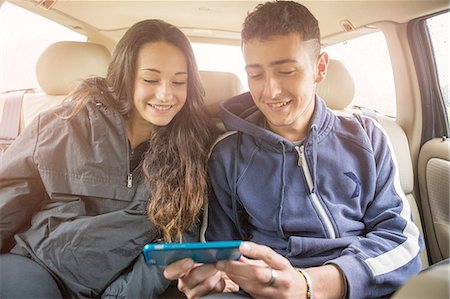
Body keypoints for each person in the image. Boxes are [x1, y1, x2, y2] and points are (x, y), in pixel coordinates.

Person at [164, 1, 423, 298]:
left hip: (362, 285)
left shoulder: (367, 136)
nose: (270, 91)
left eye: (286, 71)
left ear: (319, 68)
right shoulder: (227, 155)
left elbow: (402, 242)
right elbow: (221, 250)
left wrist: (312, 283)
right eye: (256, 74)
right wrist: (219, 276)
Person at [0, 19, 216, 298]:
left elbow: (174, 244)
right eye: (150, 79)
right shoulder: (63, 122)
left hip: (118, 286)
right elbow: (8, 200)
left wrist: (121, 295)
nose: (166, 94)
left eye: (179, 81)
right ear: (126, 76)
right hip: (36, 266)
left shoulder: (193, 149)